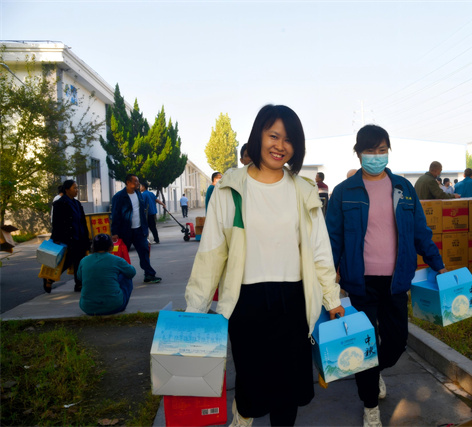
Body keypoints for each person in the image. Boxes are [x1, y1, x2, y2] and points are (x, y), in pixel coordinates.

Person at [184, 104, 344, 426]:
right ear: (258, 136)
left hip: (293, 300)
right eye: (273, 136)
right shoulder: (230, 189)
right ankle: (242, 418)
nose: (280, 145)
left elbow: (319, 250)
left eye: (289, 139)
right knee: (251, 385)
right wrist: (195, 308)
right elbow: (212, 253)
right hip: (246, 301)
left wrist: (332, 298)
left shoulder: (303, 191)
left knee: (289, 389)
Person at [325, 124, 447, 427]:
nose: (376, 156)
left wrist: (437, 263)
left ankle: (374, 371)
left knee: (396, 342)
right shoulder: (344, 192)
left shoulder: (403, 188)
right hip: (360, 282)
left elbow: (420, 231)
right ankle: (370, 406)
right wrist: (326, 282)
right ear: (358, 153)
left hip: (396, 280)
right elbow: (332, 240)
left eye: (382, 150)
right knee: (364, 345)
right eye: (370, 150)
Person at [111, 174, 162, 284]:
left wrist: (145, 228)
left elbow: (142, 212)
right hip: (125, 231)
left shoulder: (138, 194)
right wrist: (114, 232)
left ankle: (149, 275)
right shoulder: (119, 197)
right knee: (122, 255)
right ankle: (118, 277)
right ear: (128, 183)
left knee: (144, 252)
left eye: (138, 181)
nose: (138, 183)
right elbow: (115, 215)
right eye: (135, 181)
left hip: (139, 230)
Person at [48, 179, 91, 293]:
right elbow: (56, 223)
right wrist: (56, 238)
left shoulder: (77, 203)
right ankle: (50, 278)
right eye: (74, 188)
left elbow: (82, 221)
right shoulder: (60, 203)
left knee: (79, 261)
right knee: (67, 261)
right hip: (68, 237)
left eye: (77, 188)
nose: (77, 190)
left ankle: (79, 284)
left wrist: (86, 237)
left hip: (80, 236)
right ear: (67, 190)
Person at [78, 234, 136, 316]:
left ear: (93, 247)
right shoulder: (117, 260)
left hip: (87, 308)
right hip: (114, 306)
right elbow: (132, 272)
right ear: (111, 247)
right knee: (126, 275)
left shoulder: (84, 260)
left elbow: (80, 277)